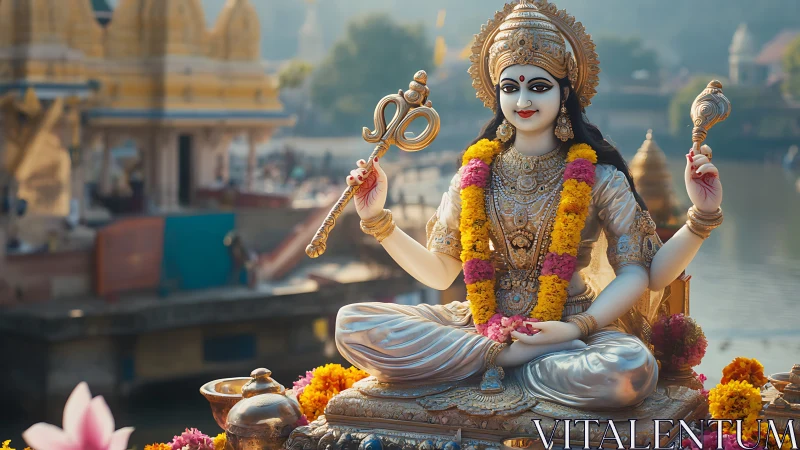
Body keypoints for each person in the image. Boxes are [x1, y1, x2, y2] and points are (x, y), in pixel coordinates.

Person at [334, 0, 724, 410]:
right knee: (352, 324)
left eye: (537, 86)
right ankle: (509, 358)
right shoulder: (473, 174)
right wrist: (377, 219)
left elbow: (646, 275)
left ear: (564, 92)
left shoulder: (598, 177)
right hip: (480, 324)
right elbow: (440, 271)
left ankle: (491, 363)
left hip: (569, 331)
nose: (522, 99)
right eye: (510, 87)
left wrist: (703, 215)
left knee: (628, 369)